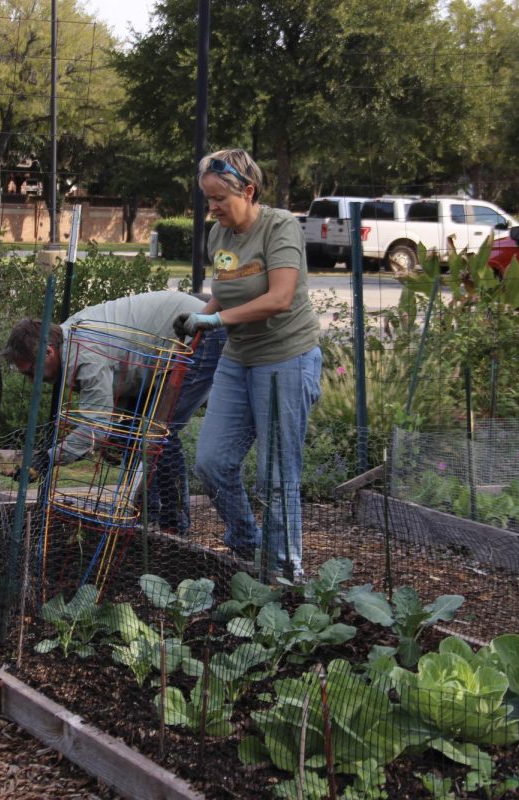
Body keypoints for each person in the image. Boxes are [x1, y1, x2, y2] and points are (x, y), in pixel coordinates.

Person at [179, 149, 323, 578]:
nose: (214, 208)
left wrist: (215, 319)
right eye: (208, 200)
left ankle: (283, 572)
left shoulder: (279, 227)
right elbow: (227, 286)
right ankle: (246, 540)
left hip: (286, 359)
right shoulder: (218, 236)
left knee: (276, 472)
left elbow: (279, 298)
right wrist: (200, 322)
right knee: (211, 461)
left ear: (248, 190)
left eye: (220, 198)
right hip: (238, 358)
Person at [2, 291, 226, 536]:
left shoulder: (86, 355)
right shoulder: (71, 344)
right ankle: (145, 520)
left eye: (31, 372)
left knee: (159, 435)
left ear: (48, 352)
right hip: (161, 349)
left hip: (196, 329)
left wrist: (47, 459)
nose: (33, 380)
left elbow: (95, 426)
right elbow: (111, 415)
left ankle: (174, 526)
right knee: (134, 435)